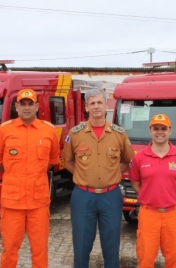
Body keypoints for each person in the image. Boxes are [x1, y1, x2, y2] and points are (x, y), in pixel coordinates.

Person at [62, 88, 135, 268]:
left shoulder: (119, 133)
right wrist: (83, 174)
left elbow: (127, 160)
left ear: (106, 106)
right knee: (81, 245)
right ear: (86, 107)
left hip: (111, 196)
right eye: (92, 103)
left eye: (99, 103)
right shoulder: (75, 133)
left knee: (111, 245)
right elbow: (68, 161)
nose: (96, 107)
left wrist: (115, 174)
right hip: (83, 197)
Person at [0, 88, 60, 268]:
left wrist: (35, 173)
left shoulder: (48, 131)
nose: (27, 108)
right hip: (13, 202)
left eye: (30, 104)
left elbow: (52, 160)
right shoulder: (4, 130)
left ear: (37, 106)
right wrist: (16, 174)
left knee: (39, 249)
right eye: (23, 104)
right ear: (16, 106)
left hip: (38, 201)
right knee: (10, 247)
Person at [128, 114, 176, 268]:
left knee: (174, 258)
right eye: (156, 128)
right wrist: (150, 196)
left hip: (173, 214)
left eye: (164, 128)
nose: (160, 132)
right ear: (150, 130)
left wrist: (169, 198)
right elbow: (135, 184)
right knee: (146, 258)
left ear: (170, 131)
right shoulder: (139, 158)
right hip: (148, 214)